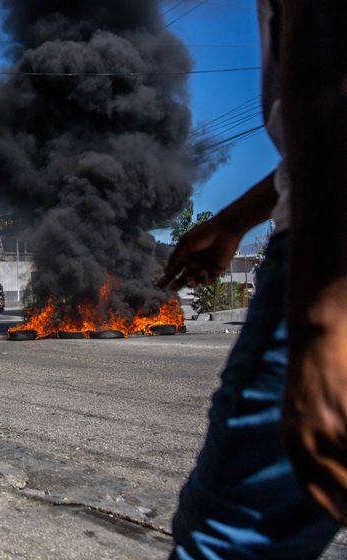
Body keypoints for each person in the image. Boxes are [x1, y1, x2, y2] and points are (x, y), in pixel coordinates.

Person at [160, 2, 346, 557]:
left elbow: (329, 92)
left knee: (230, 538)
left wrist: (323, 314)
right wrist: (232, 222)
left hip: (330, 251)